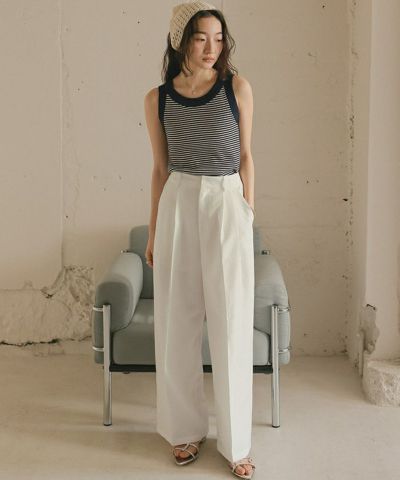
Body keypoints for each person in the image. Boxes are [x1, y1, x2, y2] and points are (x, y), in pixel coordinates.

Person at [143, 2, 256, 478]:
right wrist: (153, 231)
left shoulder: (236, 88)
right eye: (200, 37)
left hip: (226, 201)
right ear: (180, 40)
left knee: (231, 320)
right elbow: (160, 169)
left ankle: (237, 445)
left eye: (218, 38)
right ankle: (185, 430)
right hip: (178, 201)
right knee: (177, 322)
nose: (212, 48)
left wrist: (247, 214)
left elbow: (246, 157)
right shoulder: (158, 99)